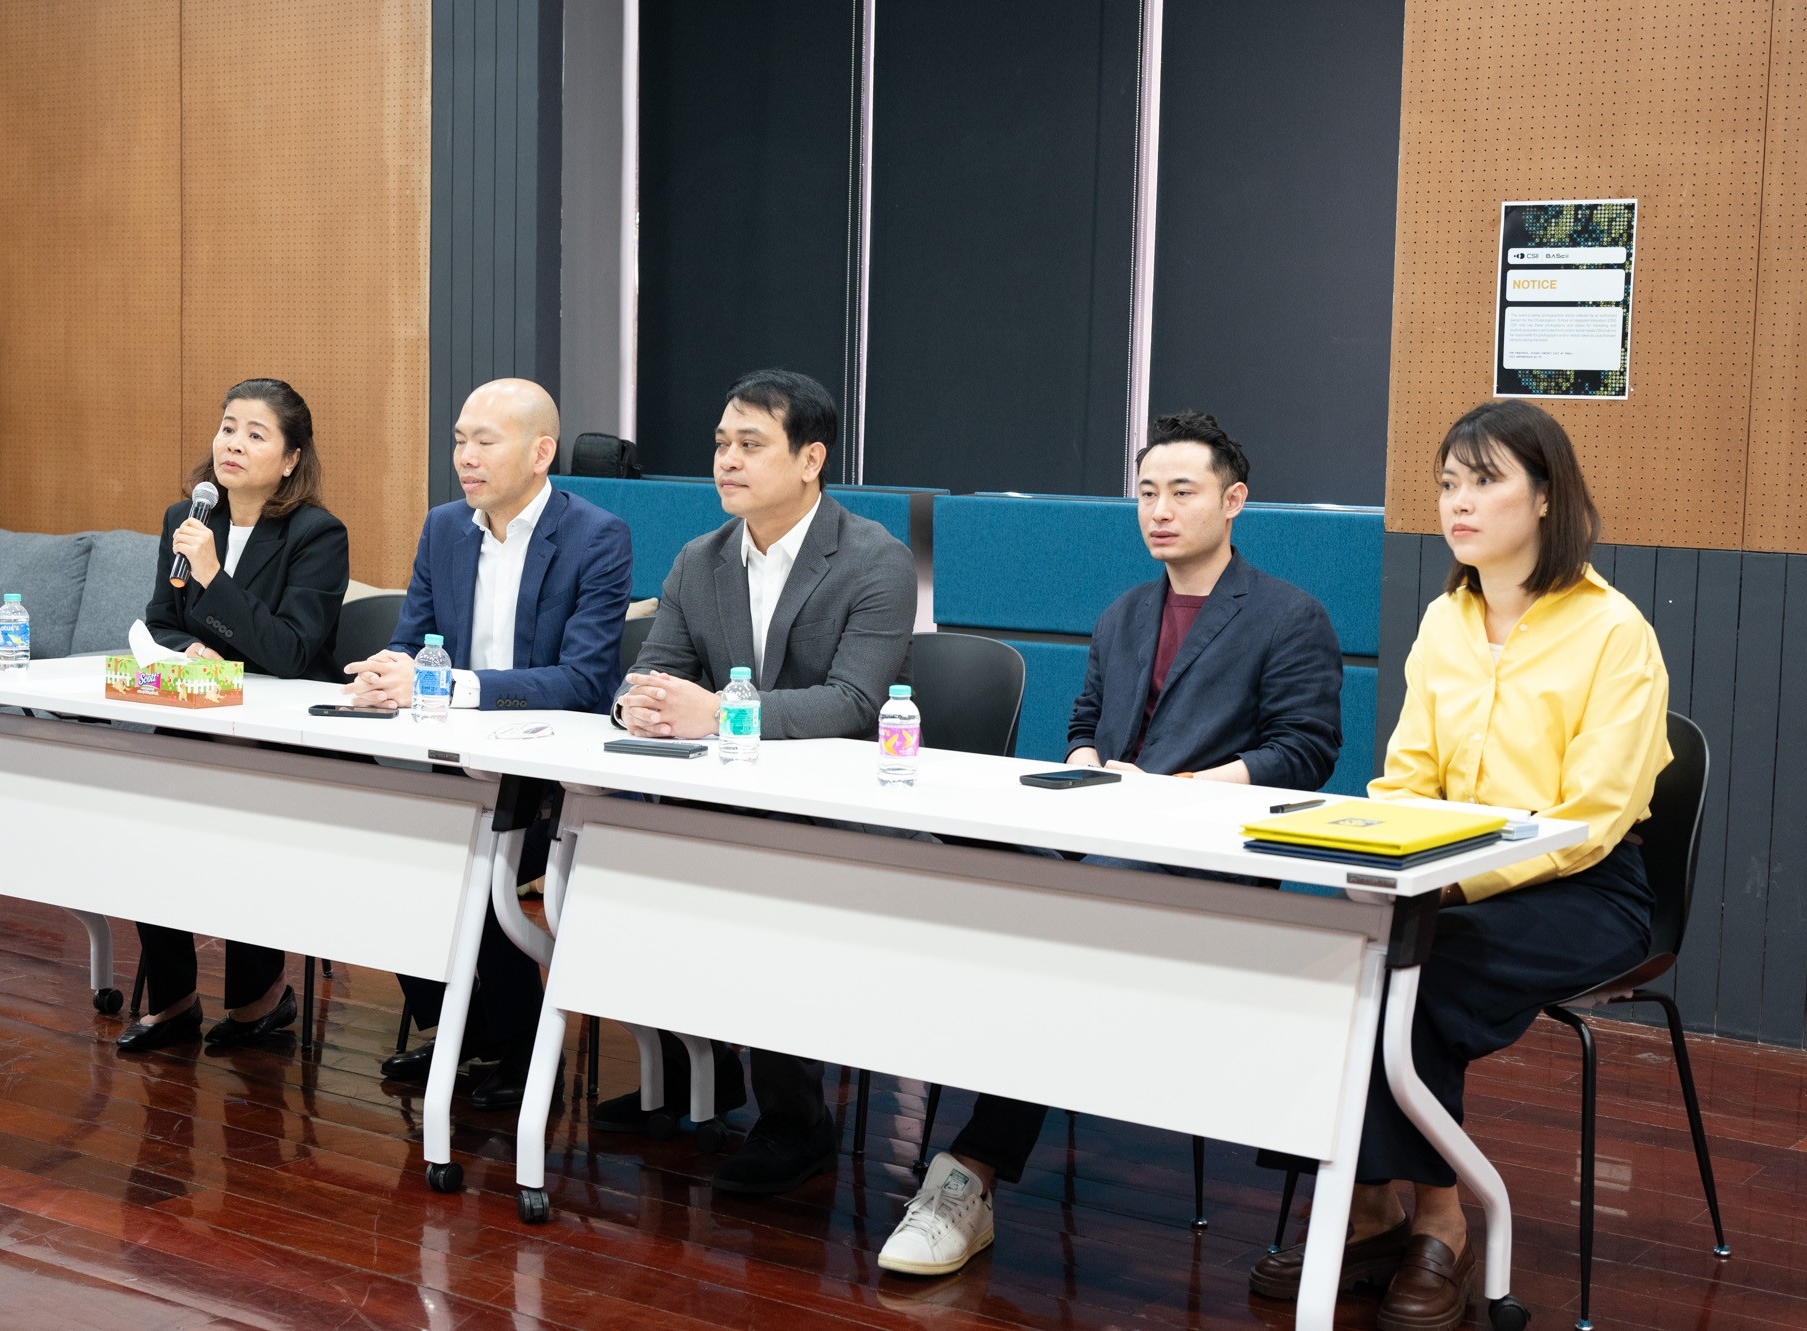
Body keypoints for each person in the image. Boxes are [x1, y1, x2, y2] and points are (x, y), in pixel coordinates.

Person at [877, 410, 1345, 1276]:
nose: (1159, 510)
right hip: (1103, 848)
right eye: (1147, 493)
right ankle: (963, 1161)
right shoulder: (1126, 612)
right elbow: (1085, 725)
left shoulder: (1288, 615)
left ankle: (967, 1172)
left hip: (1206, 868)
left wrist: (1183, 792)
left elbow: (1304, 750)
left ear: (1234, 500)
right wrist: (1089, 764)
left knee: (1059, 939)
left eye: (1182, 492)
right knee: (967, 866)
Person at [1249, 399, 1668, 1331]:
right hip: (1447, 875)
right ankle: (1371, 1206)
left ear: (1547, 497)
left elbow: (1591, 818)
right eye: (1448, 483)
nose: (1458, 502)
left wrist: (1454, 877)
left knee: (1417, 971)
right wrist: (1385, 852)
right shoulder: (1447, 620)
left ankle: (1435, 1214)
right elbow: (1408, 777)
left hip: (1585, 885)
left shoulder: (1613, 631)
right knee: (1334, 953)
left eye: (1485, 481)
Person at [598, 367, 918, 1196]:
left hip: (834, 810)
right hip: (719, 795)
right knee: (623, 857)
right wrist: (643, 706)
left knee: (771, 888)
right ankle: (684, 1077)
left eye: (750, 445)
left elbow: (854, 704)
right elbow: (653, 675)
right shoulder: (699, 559)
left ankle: (796, 1119)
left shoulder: (875, 560)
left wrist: (721, 714)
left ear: (810, 458)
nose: (726, 462)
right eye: (720, 444)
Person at [344, 377, 632, 1109]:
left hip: (545, 775)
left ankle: (523, 1047)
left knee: (472, 862)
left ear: (541, 452)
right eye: (458, 440)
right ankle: (461, 1032)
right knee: (378, 848)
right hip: (448, 761)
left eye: (484, 441)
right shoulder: (445, 527)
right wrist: (388, 673)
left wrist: (452, 686)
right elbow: (412, 643)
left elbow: (581, 680)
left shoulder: (596, 535)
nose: (464, 458)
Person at [120, 378, 350, 1052]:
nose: (233, 443)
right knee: (146, 825)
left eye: (255, 433)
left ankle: (259, 1000)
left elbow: (291, 650)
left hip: (275, 739)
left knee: (248, 835)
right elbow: (159, 619)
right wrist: (185, 645)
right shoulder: (185, 519)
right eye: (227, 427)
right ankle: (175, 998)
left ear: (289, 459)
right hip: (193, 714)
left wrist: (214, 579)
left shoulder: (316, 533)